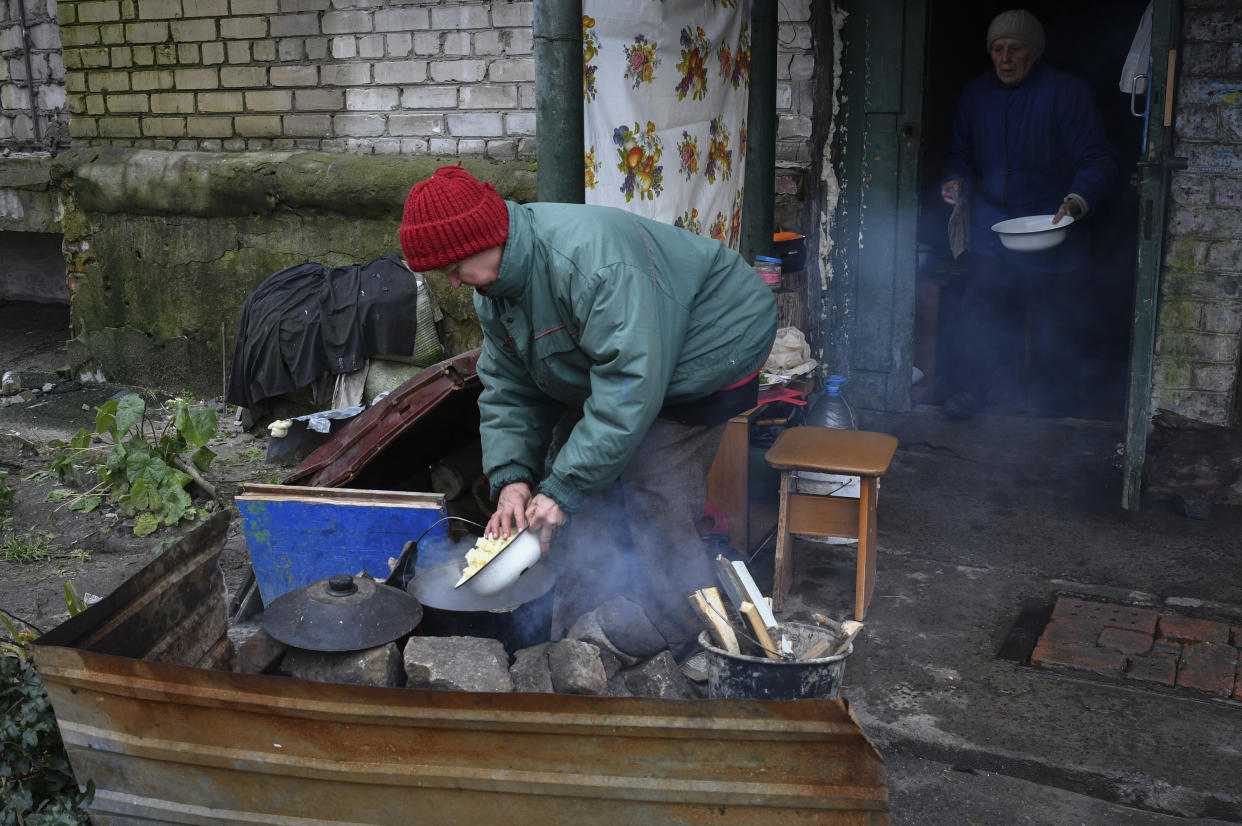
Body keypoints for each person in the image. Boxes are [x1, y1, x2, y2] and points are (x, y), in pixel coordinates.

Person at [398, 165, 778, 648]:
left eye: (455, 268)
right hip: (627, 362)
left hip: (715, 341)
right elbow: (509, 387)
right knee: (564, 483)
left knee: (651, 487)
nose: (453, 283)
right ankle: (577, 632)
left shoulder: (590, 263)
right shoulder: (492, 291)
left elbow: (629, 385)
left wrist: (565, 489)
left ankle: (689, 638)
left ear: (489, 237)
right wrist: (513, 478)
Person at [939, 9, 1119, 419]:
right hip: (993, 229)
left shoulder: (1066, 93)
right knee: (980, 313)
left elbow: (1099, 159)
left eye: (1014, 49)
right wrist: (956, 181)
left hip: (1052, 227)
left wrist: (1076, 201)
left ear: (1033, 53)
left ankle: (1055, 407)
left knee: (1056, 321)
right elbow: (960, 154)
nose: (1004, 58)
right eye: (997, 49)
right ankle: (971, 395)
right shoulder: (975, 94)